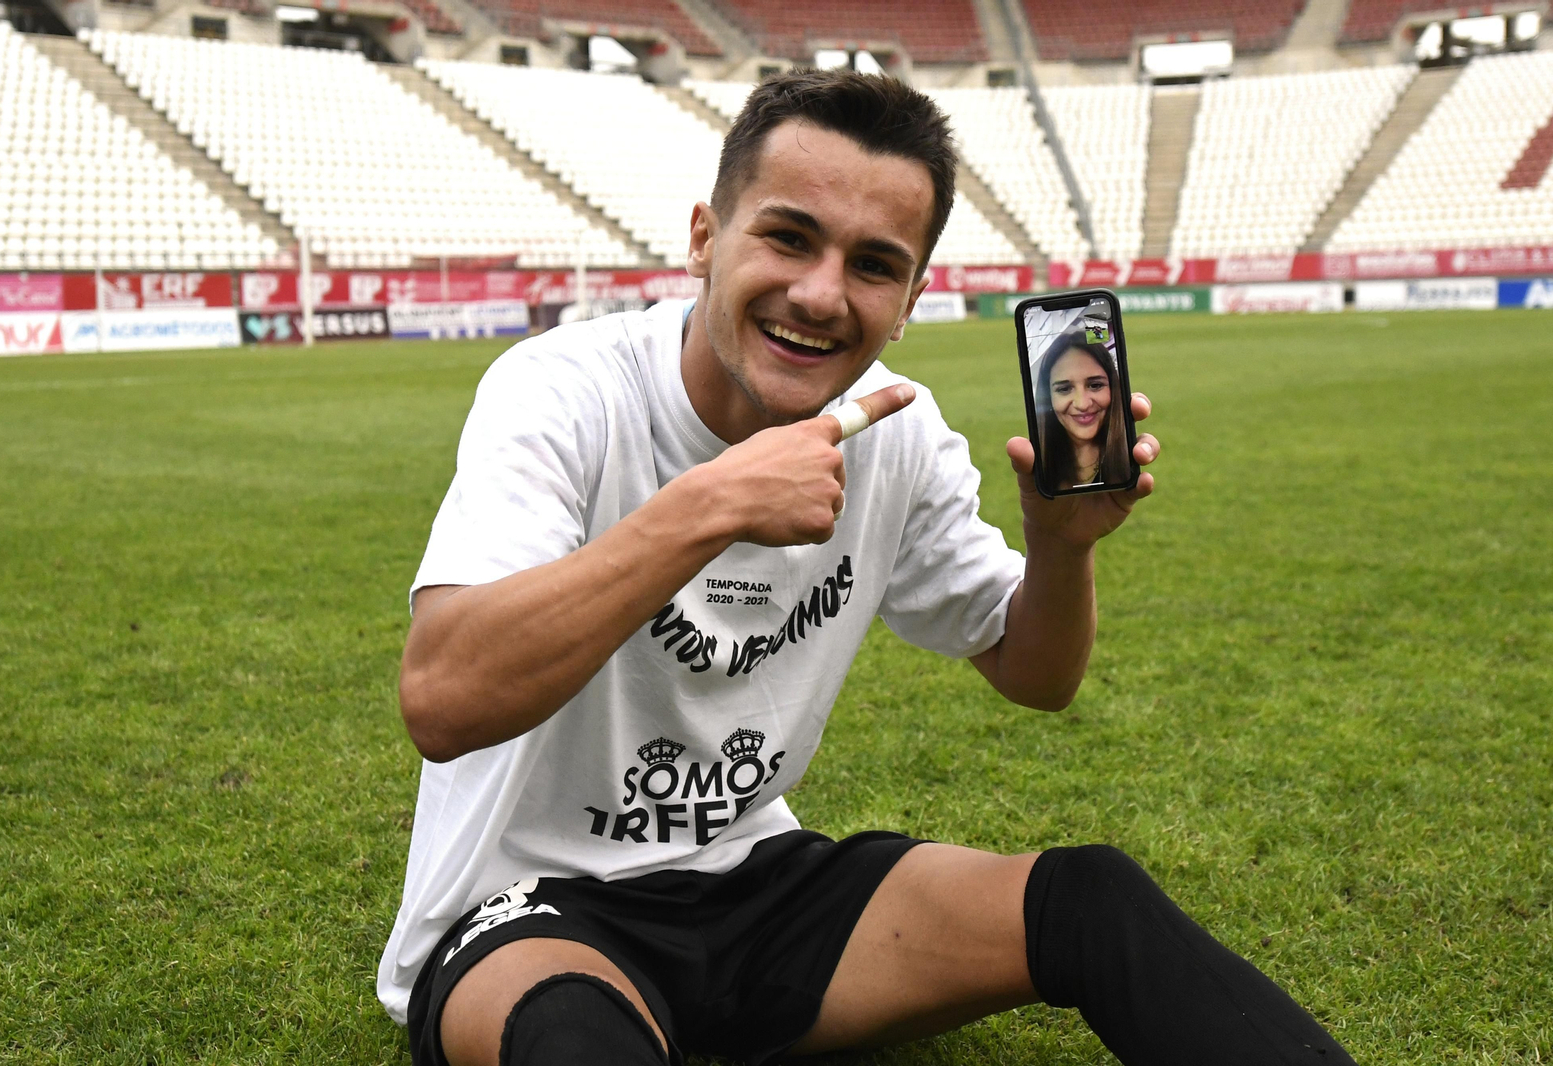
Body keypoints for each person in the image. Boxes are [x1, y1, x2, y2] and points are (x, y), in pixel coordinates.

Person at [381, 70, 1358, 1066]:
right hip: (533, 910)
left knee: (1087, 897)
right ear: (704, 239)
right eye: (788, 236)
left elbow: (1036, 671)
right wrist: (712, 502)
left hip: (756, 883)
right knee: (573, 1040)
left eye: (873, 264)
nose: (819, 293)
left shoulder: (896, 431)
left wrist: (1061, 552)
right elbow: (444, 698)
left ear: (907, 301)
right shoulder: (562, 390)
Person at [1034, 330, 1133, 492]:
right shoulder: (1039, 466)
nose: (1082, 404)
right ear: (1048, 398)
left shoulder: (1127, 460)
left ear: (1113, 389)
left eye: (1095, 385)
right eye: (1064, 389)